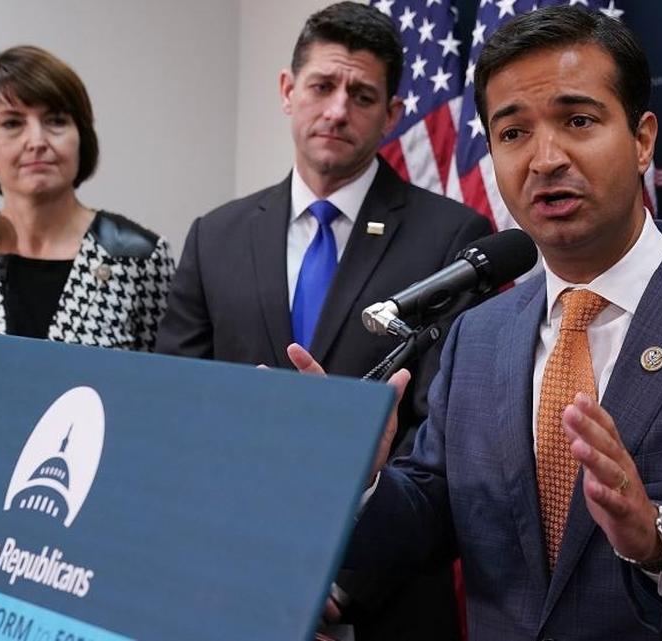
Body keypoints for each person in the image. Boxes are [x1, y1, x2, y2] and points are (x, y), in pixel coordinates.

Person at [296, 5, 662, 640]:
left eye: (578, 121)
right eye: (513, 134)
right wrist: (361, 479)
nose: (545, 158)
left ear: (643, 138)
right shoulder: (478, 336)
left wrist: (659, 538)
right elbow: (432, 511)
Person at [155, 3, 491, 638]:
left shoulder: (452, 240)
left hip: (379, 600)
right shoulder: (216, 235)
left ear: (393, 115)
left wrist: (342, 584)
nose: (337, 110)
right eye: (322, 86)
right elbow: (179, 411)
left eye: (362, 95)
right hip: (228, 588)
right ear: (288, 91)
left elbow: (446, 441)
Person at [0, 45, 173, 350]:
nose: (37, 141)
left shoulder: (139, 255)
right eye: (12, 123)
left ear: (81, 137)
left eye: (56, 120)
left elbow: (163, 389)